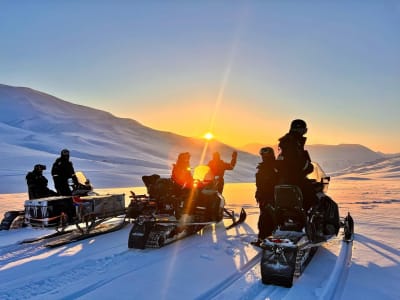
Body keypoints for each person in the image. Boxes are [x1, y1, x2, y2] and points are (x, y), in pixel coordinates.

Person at [276, 119, 316, 211]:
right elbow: (297, 161)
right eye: (304, 129)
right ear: (299, 129)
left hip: (285, 178)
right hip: (294, 178)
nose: (305, 131)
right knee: (311, 196)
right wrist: (309, 167)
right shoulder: (293, 142)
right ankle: (307, 217)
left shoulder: (287, 142)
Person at [253, 147, 278, 246]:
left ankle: (264, 239)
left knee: (266, 219)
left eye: (265, 155)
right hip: (266, 197)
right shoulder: (263, 167)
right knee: (265, 219)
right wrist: (259, 194)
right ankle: (263, 239)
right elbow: (260, 184)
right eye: (263, 155)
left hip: (272, 196)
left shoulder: (276, 166)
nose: (264, 157)